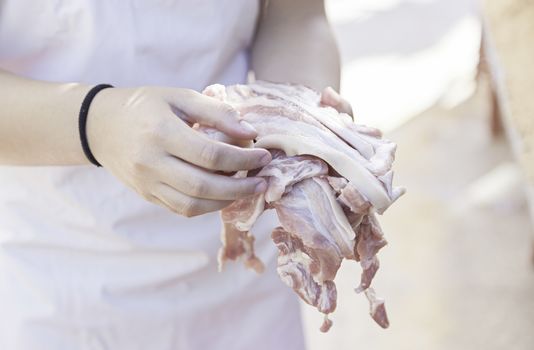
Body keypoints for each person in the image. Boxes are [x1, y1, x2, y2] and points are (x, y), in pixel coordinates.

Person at [0, 0, 352, 349]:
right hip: (59, 283)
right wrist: (99, 124)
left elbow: (294, 18)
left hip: (249, 271)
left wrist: (299, 118)